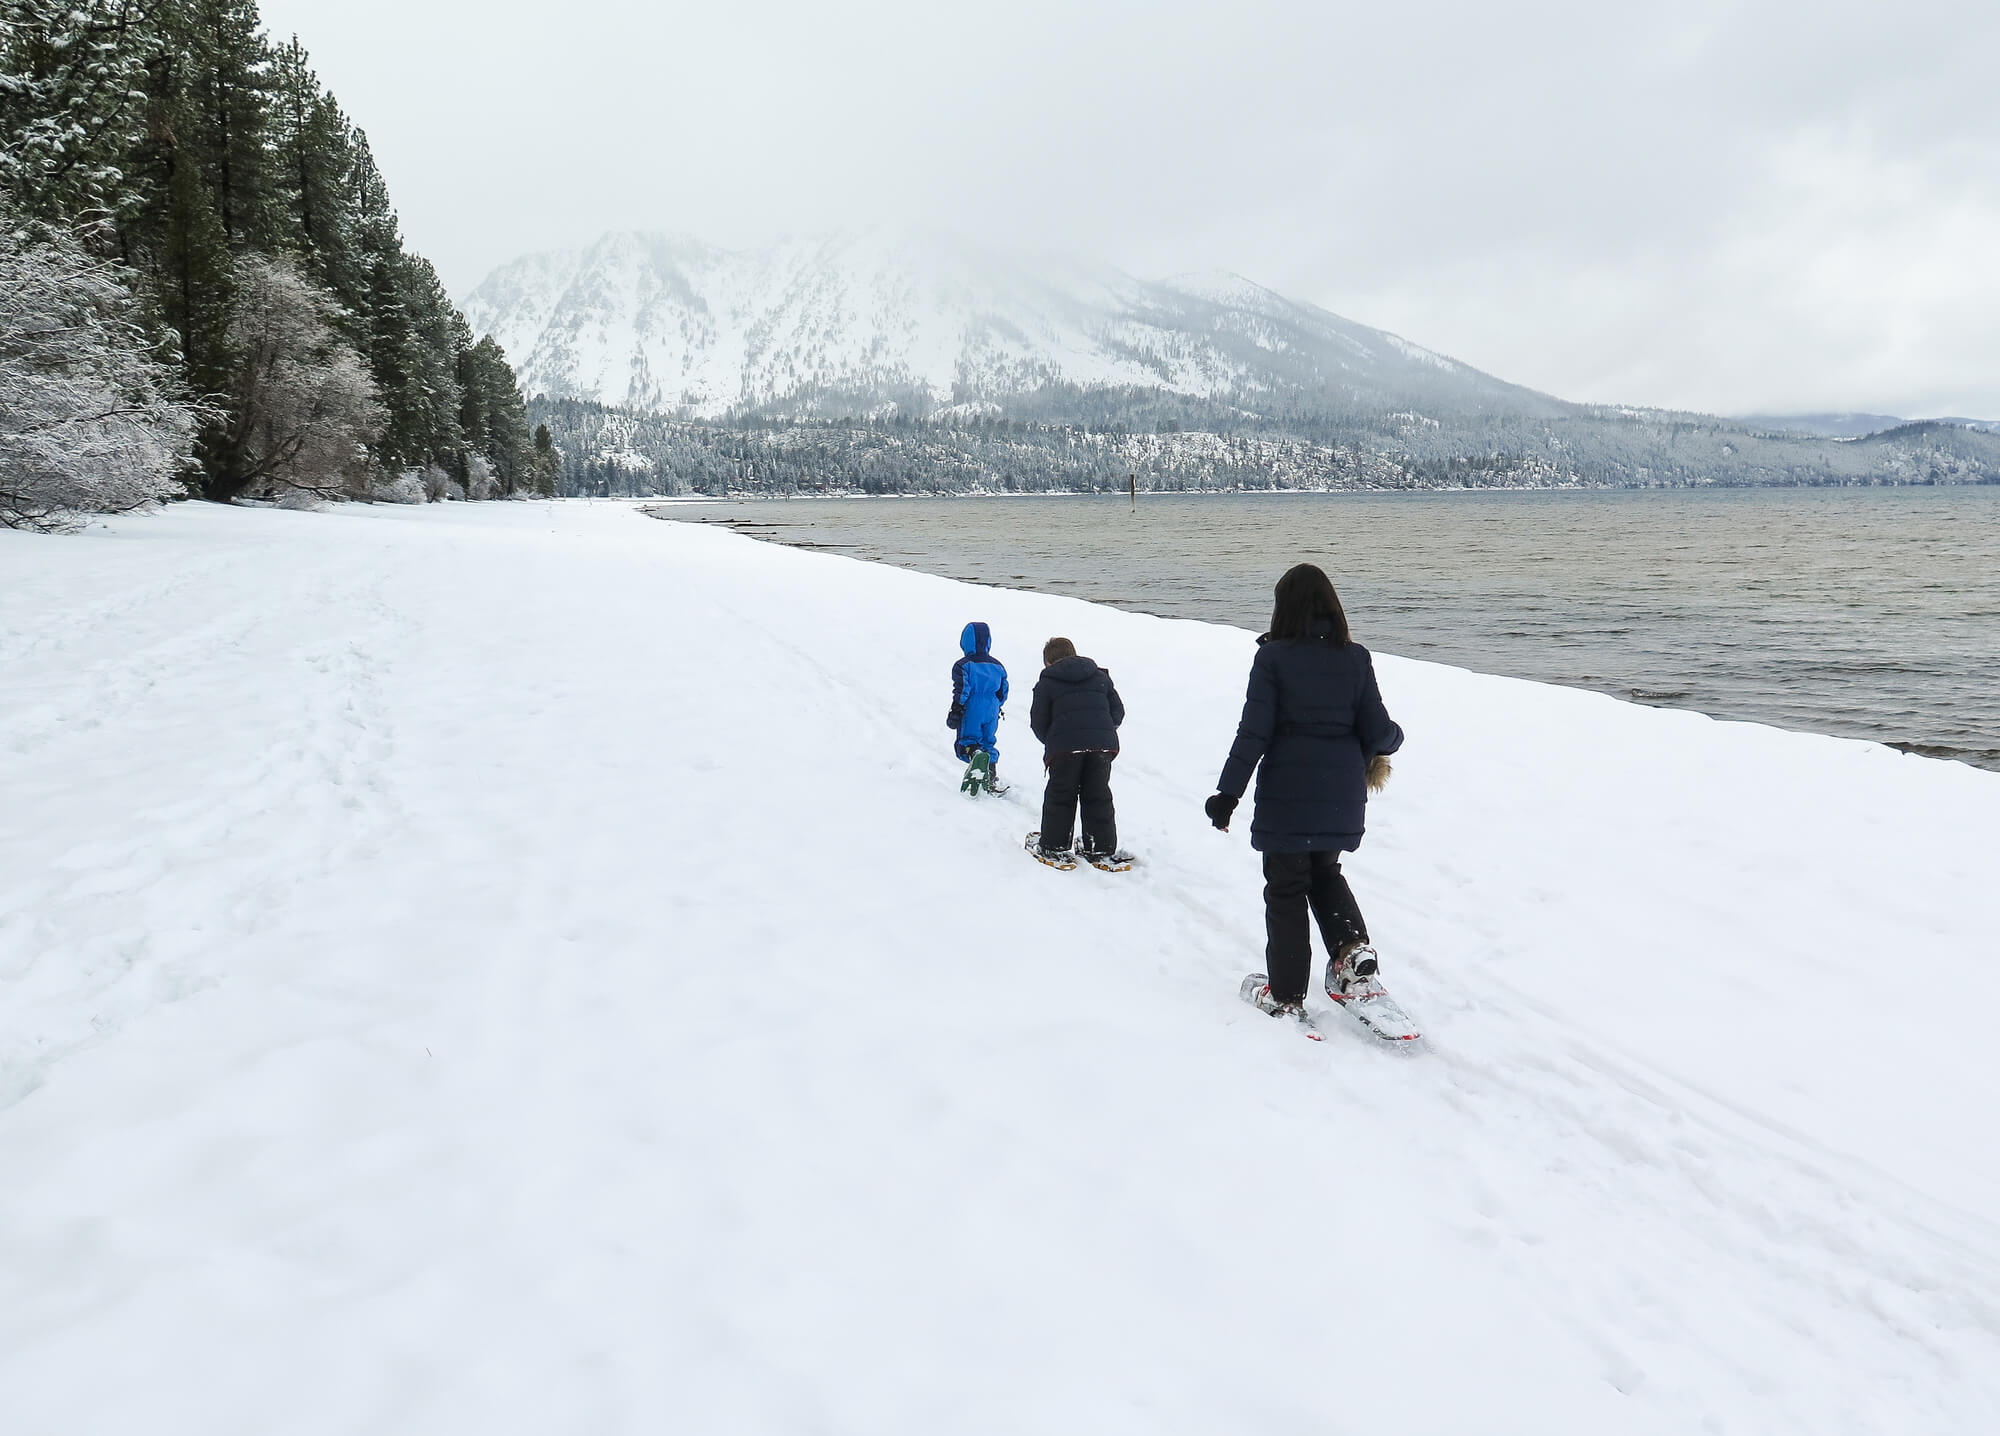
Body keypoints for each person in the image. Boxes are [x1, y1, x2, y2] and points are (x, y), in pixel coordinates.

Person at [1204, 564, 1403, 1019]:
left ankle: (1287, 994)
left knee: (1288, 888)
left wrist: (1227, 795)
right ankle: (1352, 953)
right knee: (1325, 875)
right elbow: (1379, 732)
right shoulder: (1355, 657)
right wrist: (1393, 736)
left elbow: (1253, 734)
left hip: (1287, 801)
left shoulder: (1273, 658)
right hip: (1341, 799)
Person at [1028, 637, 1128, 864]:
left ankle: (1054, 846)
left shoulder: (1047, 682)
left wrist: (1053, 739)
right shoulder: (1100, 676)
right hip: (1103, 745)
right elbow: (1118, 712)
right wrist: (1100, 732)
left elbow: (1039, 721)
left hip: (1064, 749)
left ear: (1049, 662)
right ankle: (1100, 848)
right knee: (1098, 795)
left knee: (1061, 795)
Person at [948, 621, 1009, 790]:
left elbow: (963, 688)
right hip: (992, 709)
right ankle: (990, 775)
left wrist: (957, 707)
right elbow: (1003, 690)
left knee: (967, 741)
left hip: (972, 708)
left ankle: (975, 756)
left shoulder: (963, 665)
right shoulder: (998, 665)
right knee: (988, 741)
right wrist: (997, 705)